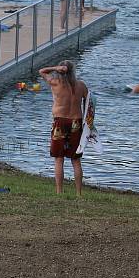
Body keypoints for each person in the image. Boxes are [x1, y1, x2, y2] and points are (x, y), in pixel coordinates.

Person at [39, 60, 88, 196]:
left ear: (61, 71)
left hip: (60, 122)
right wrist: (88, 124)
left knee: (59, 158)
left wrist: (55, 67)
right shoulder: (81, 86)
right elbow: (89, 104)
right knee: (76, 160)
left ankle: (59, 192)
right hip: (76, 123)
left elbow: (41, 71)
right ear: (74, 71)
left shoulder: (55, 83)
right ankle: (78, 194)